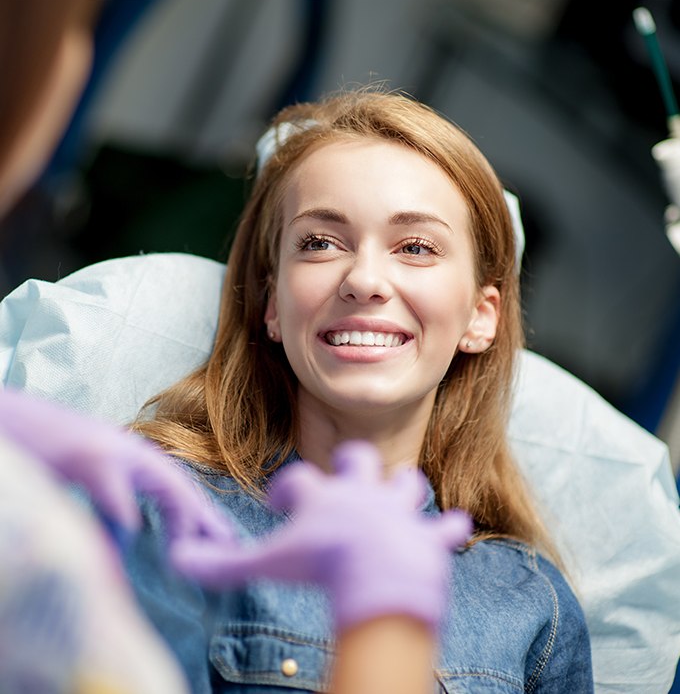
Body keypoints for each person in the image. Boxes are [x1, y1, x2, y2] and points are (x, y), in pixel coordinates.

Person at [128, 89, 594, 692]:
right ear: (273, 304)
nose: (365, 279)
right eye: (320, 243)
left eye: (416, 248)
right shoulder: (164, 512)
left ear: (482, 318)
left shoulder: (533, 609)